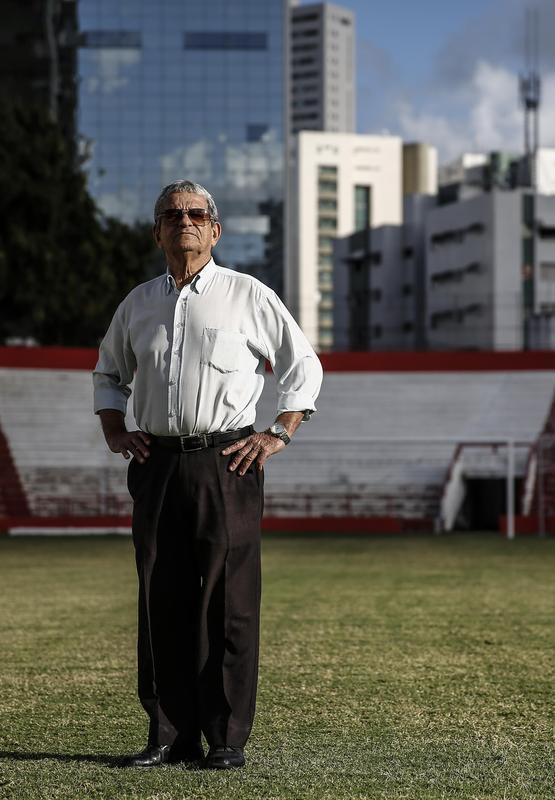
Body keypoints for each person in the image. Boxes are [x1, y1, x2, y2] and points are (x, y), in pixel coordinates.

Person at [93, 180, 323, 770]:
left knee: (230, 602)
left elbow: (303, 367)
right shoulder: (137, 304)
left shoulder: (249, 295)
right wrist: (115, 430)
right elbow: (107, 374)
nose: (185, 222)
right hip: (157, 465)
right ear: (158, 231)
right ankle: (168, 734)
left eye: (197, 214)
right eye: (173, 215)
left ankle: (224, 738)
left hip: (229, 462)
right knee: (160, 597)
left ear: (215, 230)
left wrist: (279, 432)